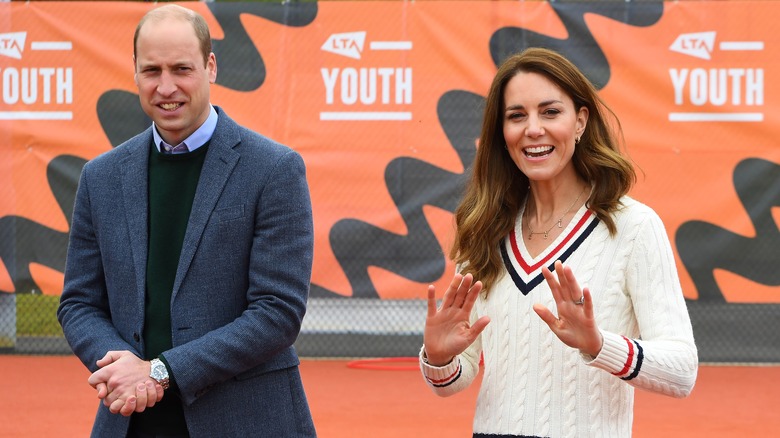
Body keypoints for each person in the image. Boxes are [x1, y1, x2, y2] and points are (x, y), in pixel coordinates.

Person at [57, 4, 316, 437]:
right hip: (132, 421)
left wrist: (160, 372)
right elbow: (78, 303)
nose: (166, 86)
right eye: (152, 70)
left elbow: (278, 312)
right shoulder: (100, 177)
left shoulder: (274, 169)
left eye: (182, 69)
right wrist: (124, 370)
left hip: (246, 420)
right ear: (135, 72)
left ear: (210, 66)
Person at [420, 47, 698, 437]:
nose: (533, 129)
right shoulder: (486, 226)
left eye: (550, 112)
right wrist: (438, 357)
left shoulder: (633, 226)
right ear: (502, 132)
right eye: (517, 116)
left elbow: (683, 371)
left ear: (581, 121)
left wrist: (600, 345)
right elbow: (456, 377)